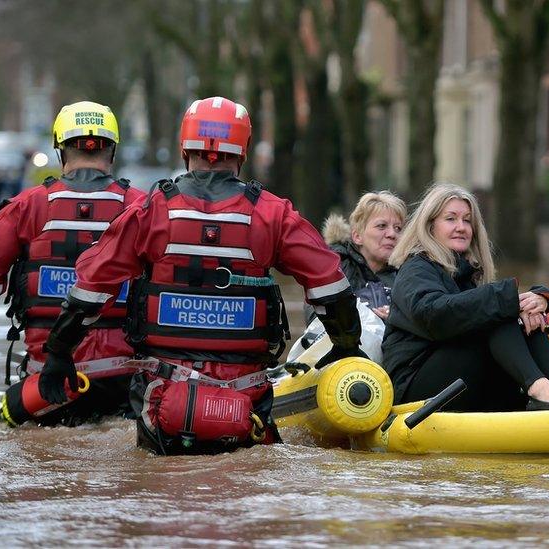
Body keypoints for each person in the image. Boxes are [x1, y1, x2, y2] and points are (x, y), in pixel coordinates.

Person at [38, 96, 365, 455]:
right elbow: (330, 286)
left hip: (162, 395)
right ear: (242, 151)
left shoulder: (151, 211)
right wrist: (347, 345)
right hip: (245, 394)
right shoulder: (274, 215)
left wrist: (58, 352)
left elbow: (91, 289)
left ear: (184, 148)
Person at [0, 101, 145, 424]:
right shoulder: (142, 207)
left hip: (47, 384)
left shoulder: (26, 207)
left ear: (60, 150)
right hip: (122, 384)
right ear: (112, 151)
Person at [382, 183, 549, 412]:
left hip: (461, 379)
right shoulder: (416, 268)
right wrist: (507, 302)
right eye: (451, 219)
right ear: (430, 227)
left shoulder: (466, 273)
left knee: (508, 311)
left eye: (467, 220)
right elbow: (433, 316)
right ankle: (540, 391)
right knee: (495, 311)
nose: (462, 227)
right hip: (415, 387)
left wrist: (538, 301)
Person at [320, 191, 405, 319]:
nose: (392, 234)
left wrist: (397, 321)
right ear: (357, 236)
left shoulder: (408, 272)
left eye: (398, 228)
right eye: (382, 226)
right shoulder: (336, 266)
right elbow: (318, 316)